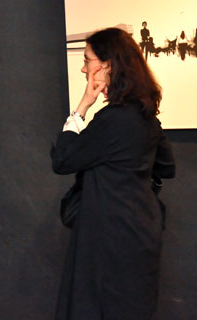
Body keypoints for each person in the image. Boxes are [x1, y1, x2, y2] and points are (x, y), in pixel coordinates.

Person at [51, 27, 175, 320]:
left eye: (87, 60)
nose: (83, 68)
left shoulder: (112, 120)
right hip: (141, 234)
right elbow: (166, 167)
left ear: (107, 65)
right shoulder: (145, 116)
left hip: (109, 241)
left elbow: (63, 158)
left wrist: (82, 107)